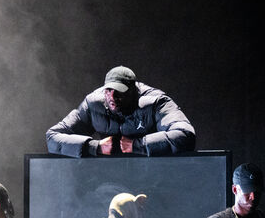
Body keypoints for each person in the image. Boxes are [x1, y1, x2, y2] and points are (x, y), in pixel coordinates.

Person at [45, 65, 195, 158]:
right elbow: (52, 138)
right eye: (108, 90)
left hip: (154, 176)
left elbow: (185, 135)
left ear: (132, 91)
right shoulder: (93, 103)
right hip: (109, 177)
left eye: (119, 91)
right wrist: (94, 147)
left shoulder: (155, 102)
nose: (112, 96)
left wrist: (136, 146)